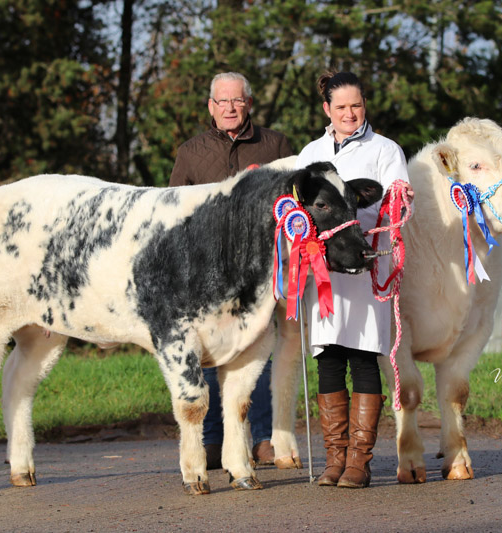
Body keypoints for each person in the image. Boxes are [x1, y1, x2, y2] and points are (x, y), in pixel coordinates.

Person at [295, 71, 413, 489]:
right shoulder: (310, 153)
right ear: (327, 109)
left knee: (363, 356)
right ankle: (334, 459)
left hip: (367, 265)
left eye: (356, 105)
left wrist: (401, 196)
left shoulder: (385, 150)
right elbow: (293, 208)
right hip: (323, 272)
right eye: (341, 107)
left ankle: (359, 464)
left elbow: (397, 202)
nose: (349, 113)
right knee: (328, 357)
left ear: (365, 106)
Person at [170, 72, 293, 469]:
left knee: (255, 348)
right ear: (211, 107)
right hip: (204, 268)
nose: (229, 108)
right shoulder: (191, 152)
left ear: (249, 103)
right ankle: (210, 440)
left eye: (237, 101)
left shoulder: (275, 145)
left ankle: (262, 438)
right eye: (221, 102)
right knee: (206, 350)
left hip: (258, 266)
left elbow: (293, 203)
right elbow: (173, 208)